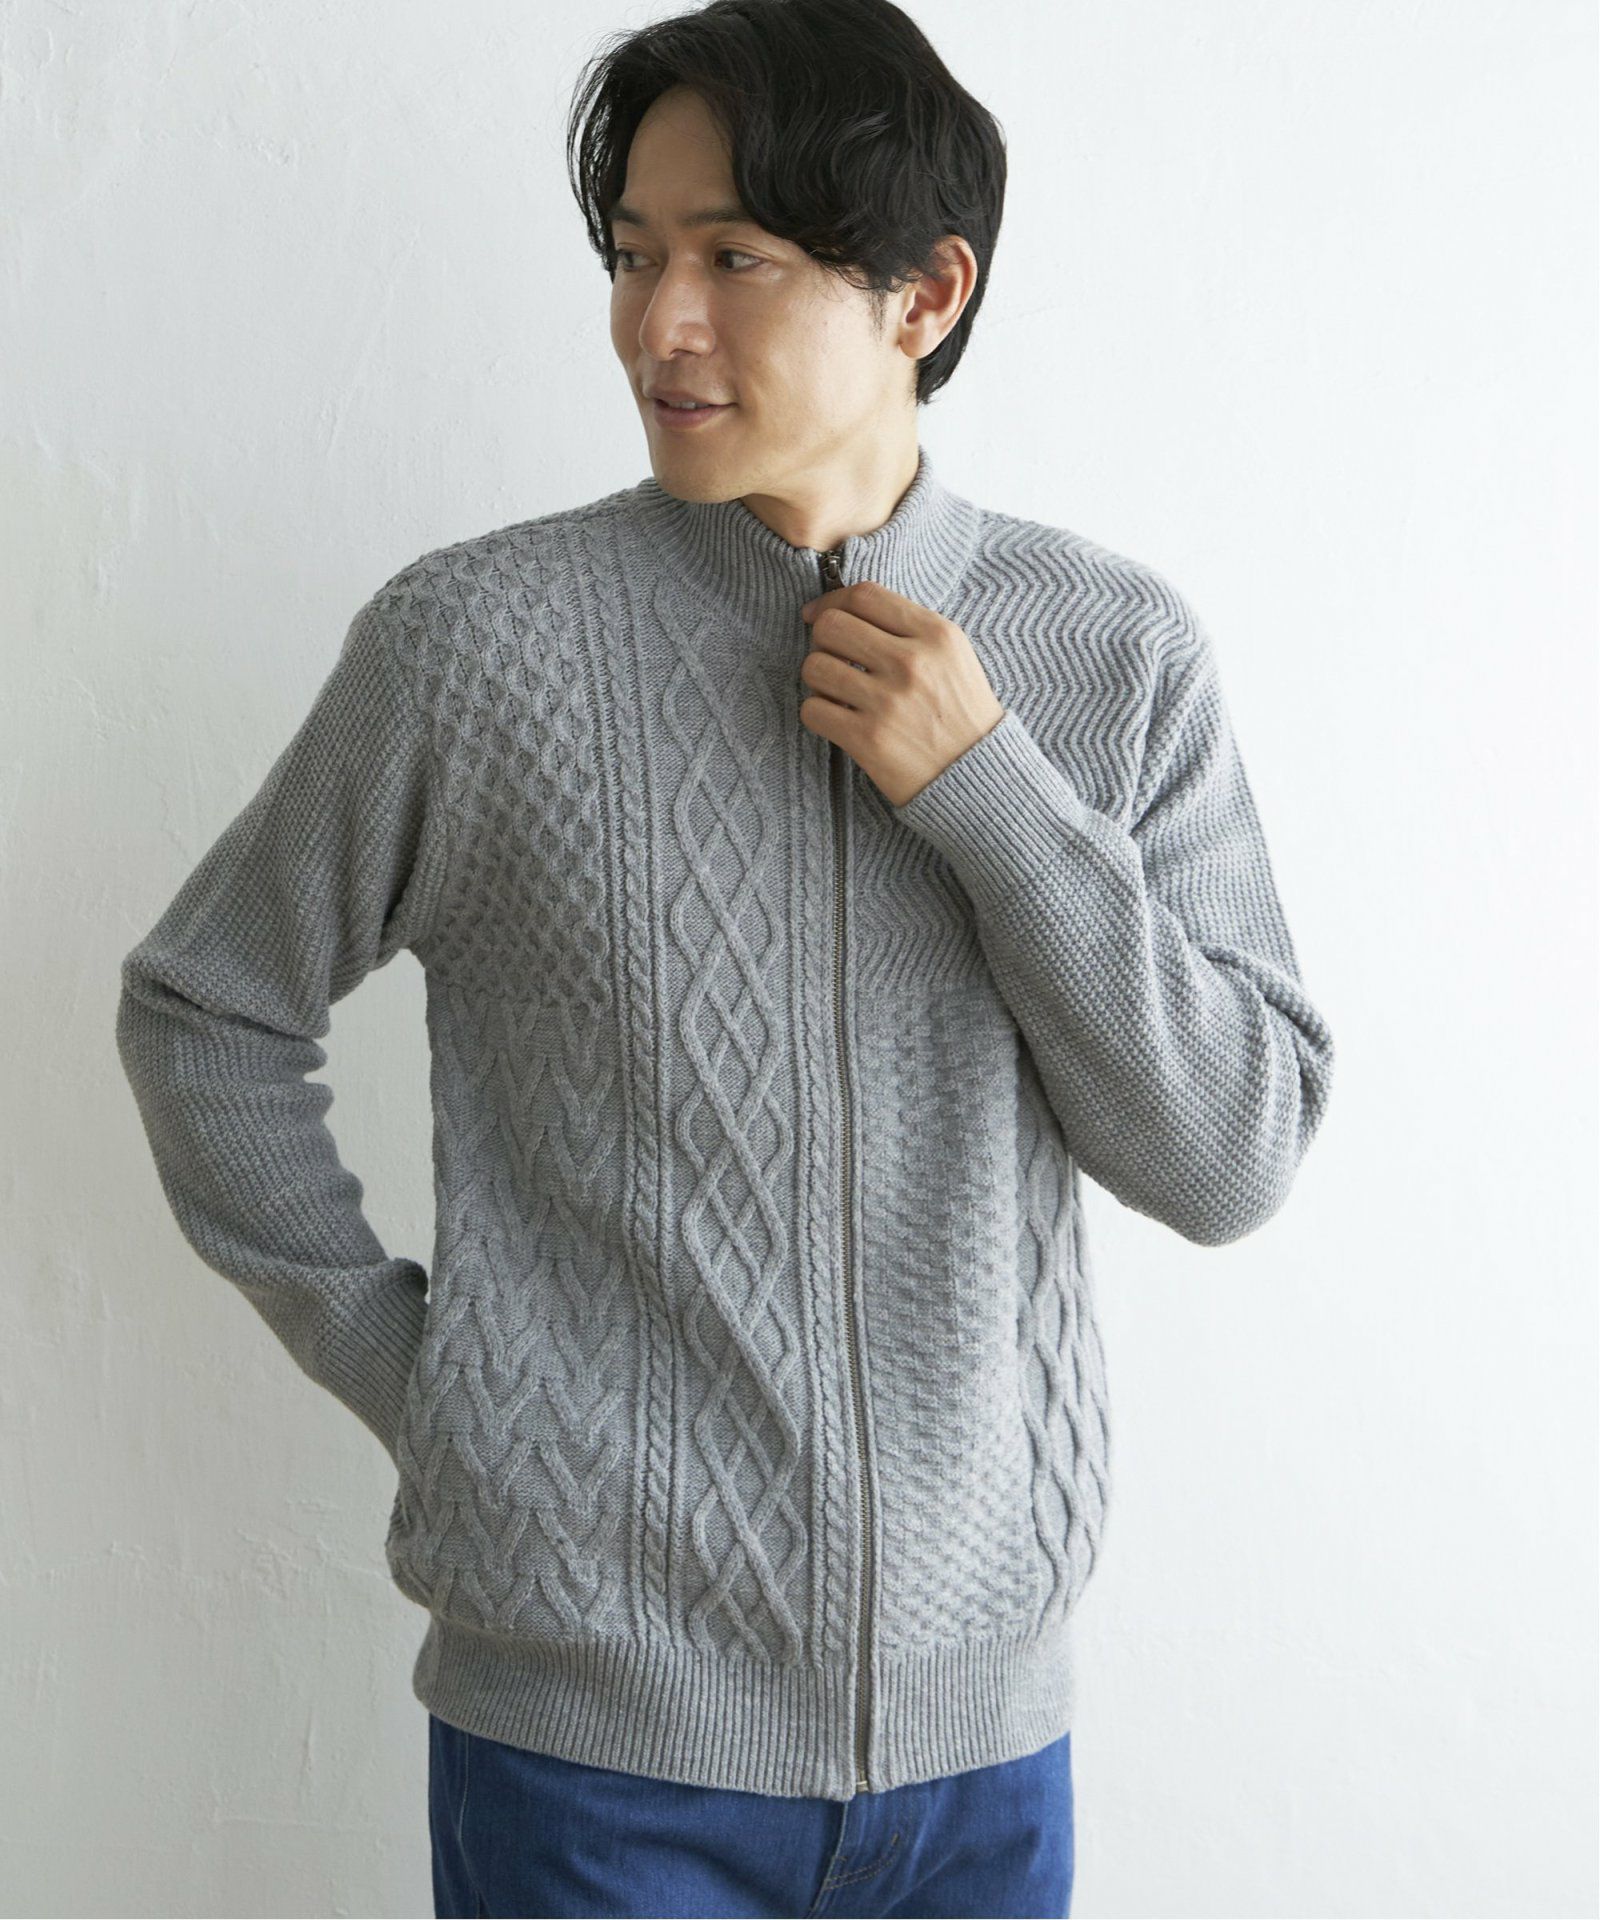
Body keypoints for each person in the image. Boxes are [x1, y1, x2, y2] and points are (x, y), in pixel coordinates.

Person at [114, 1, 1336, 1914]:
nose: (655, 324)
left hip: (984, 1769)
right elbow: (206, 1006)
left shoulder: (1114, 655)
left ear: (927, 293)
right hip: (590, 1773)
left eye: (733, 259)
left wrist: (991, 793)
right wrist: (435, 1385)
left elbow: (1230, 1156)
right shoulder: (474, 647)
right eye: (633, 256)